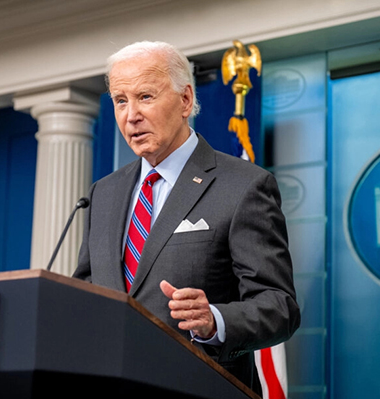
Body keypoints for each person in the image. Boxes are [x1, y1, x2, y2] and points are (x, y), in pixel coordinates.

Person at [73, 41, 300, 393]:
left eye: (145, 97)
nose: (130, 115)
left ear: (184, 100)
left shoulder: (243, 185)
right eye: (120, 100)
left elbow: (279, 307)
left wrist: (215, 321)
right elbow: (86, 295)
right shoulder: (103, 192)